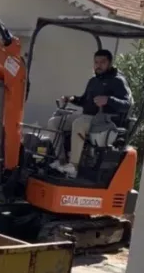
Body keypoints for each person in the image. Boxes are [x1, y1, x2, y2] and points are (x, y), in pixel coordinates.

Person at [47, 49, 133, 177]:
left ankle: (73, 166)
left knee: (79, 123)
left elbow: (127, 104)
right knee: (54, 122)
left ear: (110, 63)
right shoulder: (93, 81)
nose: (98, 65)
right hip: (87, 117)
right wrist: (72, 99)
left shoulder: (118, 81)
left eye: (102, 62)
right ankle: (61, 160)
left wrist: (108, 100)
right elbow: (85, 101)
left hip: (105, 120)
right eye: (96, 62)